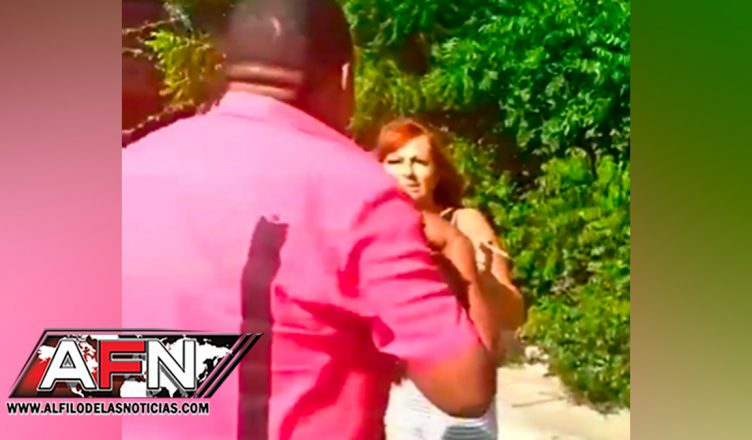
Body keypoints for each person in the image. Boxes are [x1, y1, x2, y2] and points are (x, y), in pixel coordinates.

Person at [121, 1, 498, 439]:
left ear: (226, 67)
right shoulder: (361, 194)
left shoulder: (128, 168)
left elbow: (78, 369)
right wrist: (457, 253)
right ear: (345, 78)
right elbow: (464, 391)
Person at [376, 118, 525, 440]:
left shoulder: (463, 222)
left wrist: (480, 277)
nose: (408, 172)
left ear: (438, 172)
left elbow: (515, 314)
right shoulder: (374, 229)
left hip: (462, 389)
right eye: (395, 161)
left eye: (420, 162)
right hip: (399, 395)